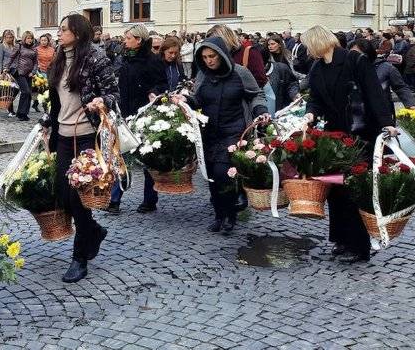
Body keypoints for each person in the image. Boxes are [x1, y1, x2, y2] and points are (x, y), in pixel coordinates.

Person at [302, 25, 396, 263]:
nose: (306, 50)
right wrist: (310, 114)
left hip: (360, 133)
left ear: (317, 43)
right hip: (334, 136)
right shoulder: (317, 68)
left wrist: (386, 122)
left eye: (307, 45)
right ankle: (342, 240)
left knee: (355, 190)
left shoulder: (355, 60)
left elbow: (374, 92)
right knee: (336, 190)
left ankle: (359, 246)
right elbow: (315, 99)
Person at [41, 14, 115, 283]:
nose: (58, 34)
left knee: (78, 197)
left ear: (78, 32)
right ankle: (93, 230)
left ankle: (79, 259)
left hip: (86, 137)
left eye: (63, 30)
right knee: (63, 193)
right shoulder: (59, 59)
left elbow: (112, 94)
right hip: (62, 135)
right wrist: (48, 121)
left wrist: (100, 101)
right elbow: (57, 101)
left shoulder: (95, 58)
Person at [179, 37, 268, 234]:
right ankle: (219, 215)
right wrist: (185, 100)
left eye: (212, 56)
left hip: (233, 131)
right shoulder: (203, 74)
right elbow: (198, 99)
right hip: (209, 132)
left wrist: (260, 110)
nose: (209, 61)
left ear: (221, 56)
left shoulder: (240, 73)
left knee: (224, 174)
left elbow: (256, 94)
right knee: (211, 176)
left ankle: (230, 215)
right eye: (205, 57)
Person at [110, 24, 168, 214]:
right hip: (126, 114)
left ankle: (150, 200)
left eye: (128, 38)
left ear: (139, 40)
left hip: (145, 115)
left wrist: (153, 92)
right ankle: (115, 199)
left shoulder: (153, 60)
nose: (124, 41)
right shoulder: (126, 58)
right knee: (122, 157)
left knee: (146, 158)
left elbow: (162, 84)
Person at [351, 38, 415, 112]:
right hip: (354, 115)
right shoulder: (346, 68)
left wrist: (411, 105)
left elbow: (401, 87)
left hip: (381, 112)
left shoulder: (386, 68)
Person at [6, 31, 38, 121]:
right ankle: (20, 112)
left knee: (29, 94)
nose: (30, 40)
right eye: (28, 38)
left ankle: (24, 113)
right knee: (25, 92)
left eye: (31, 38)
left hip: (29, 73)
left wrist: (33, 72)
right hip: (19, 72)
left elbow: (36, 62)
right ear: (24, 38)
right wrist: (6, 67)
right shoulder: (19, 46)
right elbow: (12, 57)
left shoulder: (34, 48)